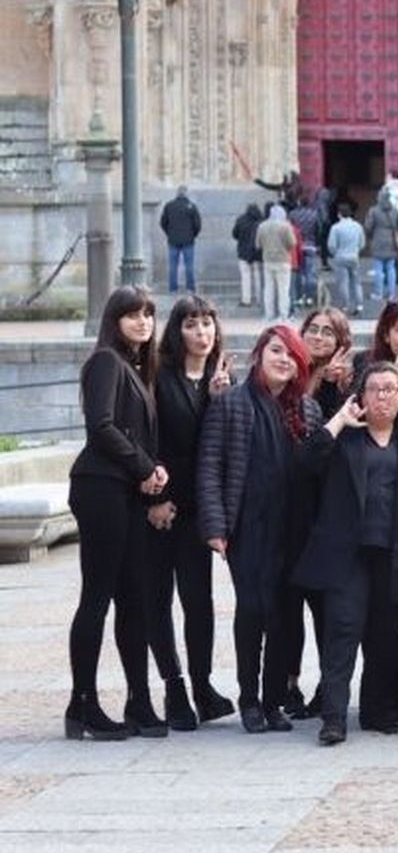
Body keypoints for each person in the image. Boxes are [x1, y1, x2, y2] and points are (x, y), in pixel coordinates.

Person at [296, 363, 398, 745]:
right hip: (349, 556)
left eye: (391, 389)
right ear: (360, 397)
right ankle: (333, 718)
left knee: (384, 638)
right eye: (374, 389)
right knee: (342, 634)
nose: (382, 396)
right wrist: (338, 422)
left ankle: (376, 710)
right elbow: (303, 465)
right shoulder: (343, 441)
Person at [197, 326, 323, 733]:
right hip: (247, 527)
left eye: (292, 354)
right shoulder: (231, 403)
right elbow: (210, 467)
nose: (284, 359)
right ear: (259, 353)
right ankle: (248, 698)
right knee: (253, 610)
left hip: (295, 528)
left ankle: (273, 701)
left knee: (286, 616)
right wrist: (215, 526)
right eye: (276, 350)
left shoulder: (307, 408)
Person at [65, 287, 168, 741]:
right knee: (98, 596)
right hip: (101, 487)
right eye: (132, 315)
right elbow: (100, 426)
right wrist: (145, 468)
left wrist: (149, 476)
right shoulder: (106, 362)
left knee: (134, 599)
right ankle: (82, 703)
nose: (142, 322)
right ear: (114, 320)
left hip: (124, 490)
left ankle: (138, 700)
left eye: (147, 314)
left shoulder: (134, 368)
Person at [148, 295, 235, 732]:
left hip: (197, 507)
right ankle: (175, 686)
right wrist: (154, 500)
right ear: (176, 331)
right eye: (192, 324)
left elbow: (215, 448)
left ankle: (203, 685)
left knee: (199, 602)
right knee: (158, 600)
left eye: (208, 324)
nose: (202, 333)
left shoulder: (220, 380)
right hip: (161, 508)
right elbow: (153, 443)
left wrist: (218, 399)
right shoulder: (159, 377)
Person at [255, 204, 298, 322]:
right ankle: (283, 315)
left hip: (268, 260)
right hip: (283, 261)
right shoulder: (285, 226)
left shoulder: (262, 226)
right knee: (283, 290)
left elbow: (258, 244)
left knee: (268, 289)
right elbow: (292, 243)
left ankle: (269, 315)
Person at [159, 186, 202, 293]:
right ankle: (190, 288)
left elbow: (163, 222)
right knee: (189, 266)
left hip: (173, 240)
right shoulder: (192, 207)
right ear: (186, 194)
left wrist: (169, 233)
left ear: (177, 194)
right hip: (188, 240)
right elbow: (198, 225)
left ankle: (173, 289)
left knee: (173, 266)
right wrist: (193, 235)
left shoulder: (169, 206)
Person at [364, 192, 398, 302]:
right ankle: (392, 294)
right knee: (391, 268)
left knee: (378, 269)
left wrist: (370, 236)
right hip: (391, 241)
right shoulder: (395, 211)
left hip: (378, 241)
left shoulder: (374, 211)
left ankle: (378, 293)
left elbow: (368, 226)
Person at [326, 204, 366, 315]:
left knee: (343, 282)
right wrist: (356, 251)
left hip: (341, 257)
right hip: (354, 256)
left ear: (339, 214)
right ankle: (359, 305)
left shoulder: (336, 228)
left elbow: (331, 245)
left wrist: (335, 254)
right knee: (357, 282)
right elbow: (362, 243)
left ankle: (345, 305)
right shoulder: (357, 226)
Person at [289, 196, 323, 307]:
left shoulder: (292, 214)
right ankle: (309, 297)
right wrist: (318, 244)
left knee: (298, 274)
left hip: (297, 245)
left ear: (299, 202)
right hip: (311, 245)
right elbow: (319, 229)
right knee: (310, 274)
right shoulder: (314, 214)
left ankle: (299, 297)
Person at [231, 203, 264, 308]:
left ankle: (246, 300)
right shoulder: (260, 221)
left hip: (243, 253)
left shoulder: (241, 220)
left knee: (245, 277)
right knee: (258, 277)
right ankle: (259, 300)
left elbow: (234, 234)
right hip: (257, 253)